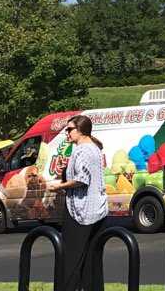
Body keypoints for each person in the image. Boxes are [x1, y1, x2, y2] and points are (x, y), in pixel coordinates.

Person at [46, 115, 107, 291]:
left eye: (69, 129)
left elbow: (82, 179)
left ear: (80, 130)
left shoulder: (83, 150)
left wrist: (59, 186)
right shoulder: (94, 148)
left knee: (71, 260)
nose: (67, 133)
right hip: (97, 211)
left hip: (82, 211)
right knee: (92, 261)